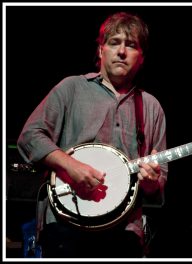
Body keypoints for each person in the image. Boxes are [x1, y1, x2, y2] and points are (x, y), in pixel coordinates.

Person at [17, 11, 168, 258]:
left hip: (125, 233)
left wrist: (152, 181)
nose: (121, 51)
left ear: (141, 57)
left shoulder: (152, 107)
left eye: (131, 45)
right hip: (66, 225)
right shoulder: (71, 88)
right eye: (114, 42)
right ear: (100, 51)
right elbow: (30, 136)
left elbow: (159, 183)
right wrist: (71, 165)